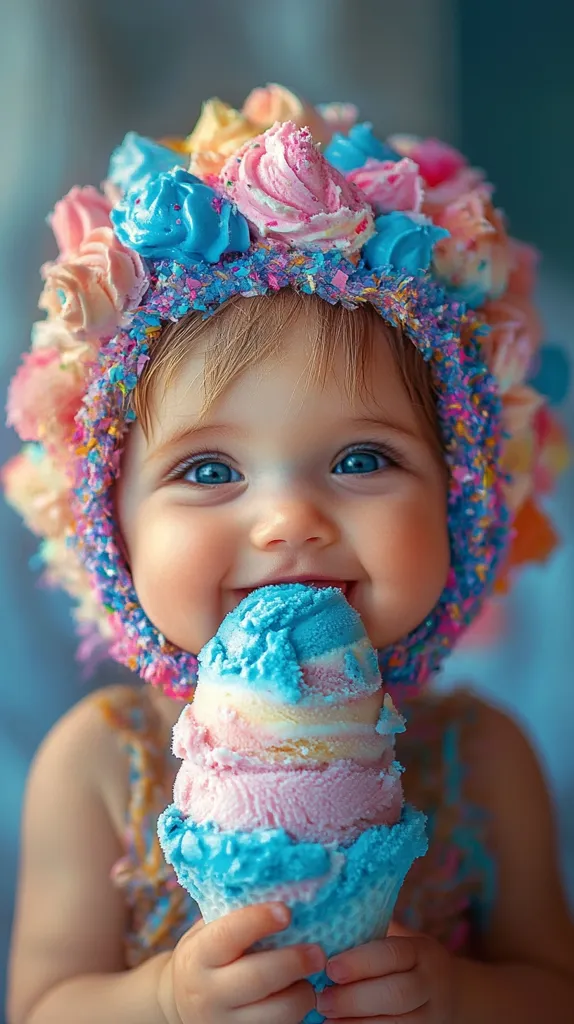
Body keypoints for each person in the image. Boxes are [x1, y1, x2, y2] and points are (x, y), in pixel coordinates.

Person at [5, 84, 574, 1024]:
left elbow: (554, 990)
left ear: (464, 500)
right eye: (210, 469)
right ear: (111, 527)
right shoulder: (102, 765)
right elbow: (43, 1005)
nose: (287, 520)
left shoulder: (482, 759)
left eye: (362, 459)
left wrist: (460, 995)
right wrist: (164, 1000)